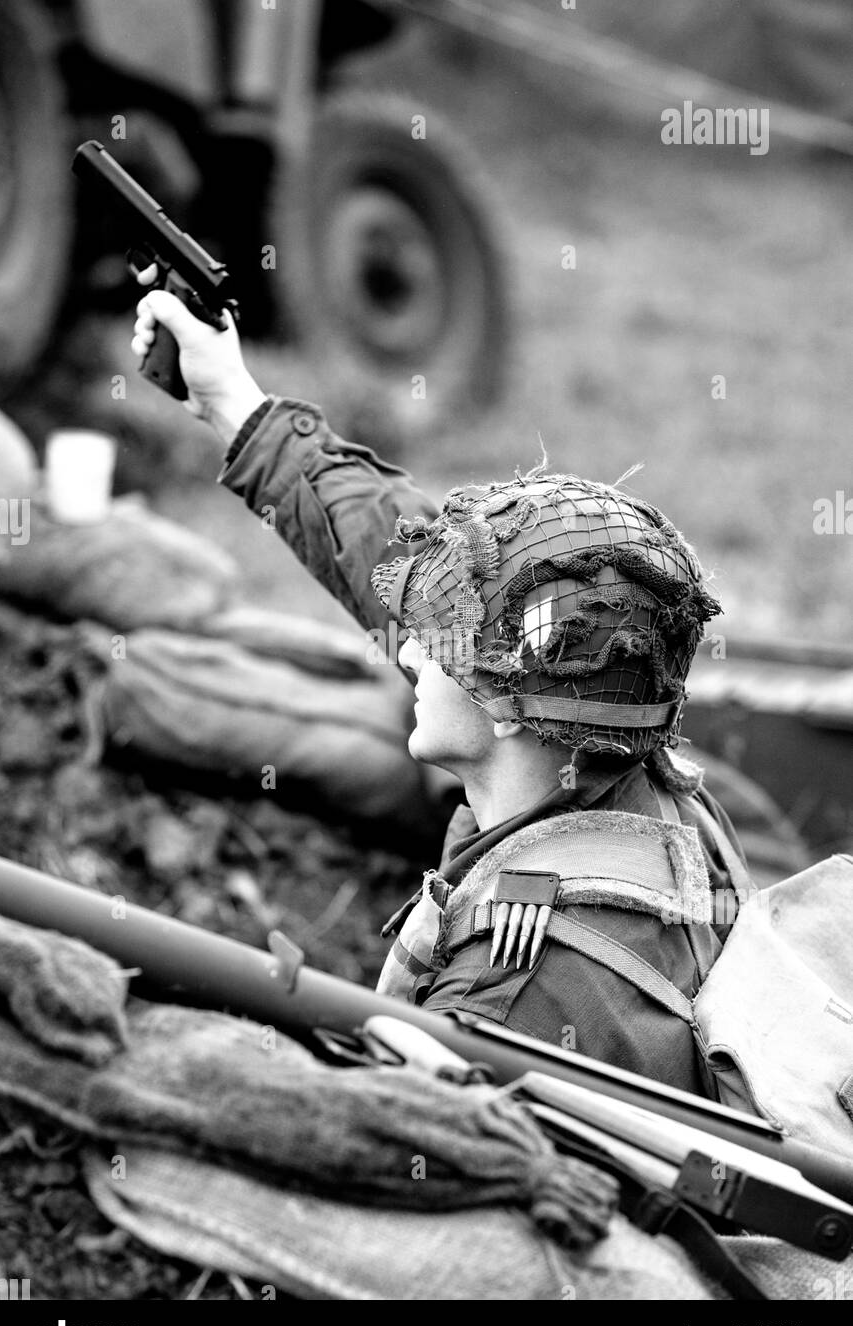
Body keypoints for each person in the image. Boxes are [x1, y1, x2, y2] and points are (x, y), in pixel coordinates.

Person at [130, 284, 751, 1097]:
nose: (410, 651)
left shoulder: (511, 1002)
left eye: (438, 638)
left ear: (502, 704)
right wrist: (233, 402)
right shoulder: (617, 749)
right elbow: (377, 543)